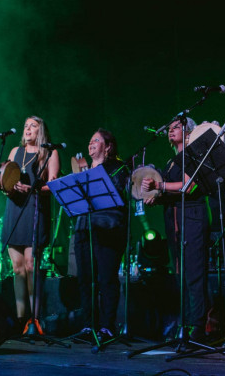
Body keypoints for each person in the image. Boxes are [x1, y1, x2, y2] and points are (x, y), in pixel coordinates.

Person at [141, 117, 211, 341]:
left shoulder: (192, 155)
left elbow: (189, 187)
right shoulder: (172, 161)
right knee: (181, 274)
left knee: (194, 274)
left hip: (191, 217)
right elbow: (171, 191)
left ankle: (198, 326)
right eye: (169, 127)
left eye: (176, 127)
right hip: (175, 220)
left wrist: (159, 186)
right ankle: (186, 324)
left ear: (188, 131)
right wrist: (157, 197)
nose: (170, 131)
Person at [2, 116, 60, 328]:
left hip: (34, 208)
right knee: (17, 268)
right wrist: (6, 187)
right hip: (14, 208)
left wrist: (32, 189)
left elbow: (54, 186)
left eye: (33, 126)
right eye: (26, 126)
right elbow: (4, 178)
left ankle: (34, 320)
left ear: (41, 130)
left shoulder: (50, 153)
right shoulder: (14, 153)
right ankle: (20, 319)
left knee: (30, 265)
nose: (28, 129)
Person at [74, 128, 129, 340]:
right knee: (85, 279)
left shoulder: (118, 167)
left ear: (108, 146)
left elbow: (117, 193)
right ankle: (88, 325)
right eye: (90, 140)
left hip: (108, 228)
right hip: (83, 228)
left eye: (96, 140)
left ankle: (107, 326)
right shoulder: (83, 170)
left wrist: (89, 173)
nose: (91, 144)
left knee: (106, 278)